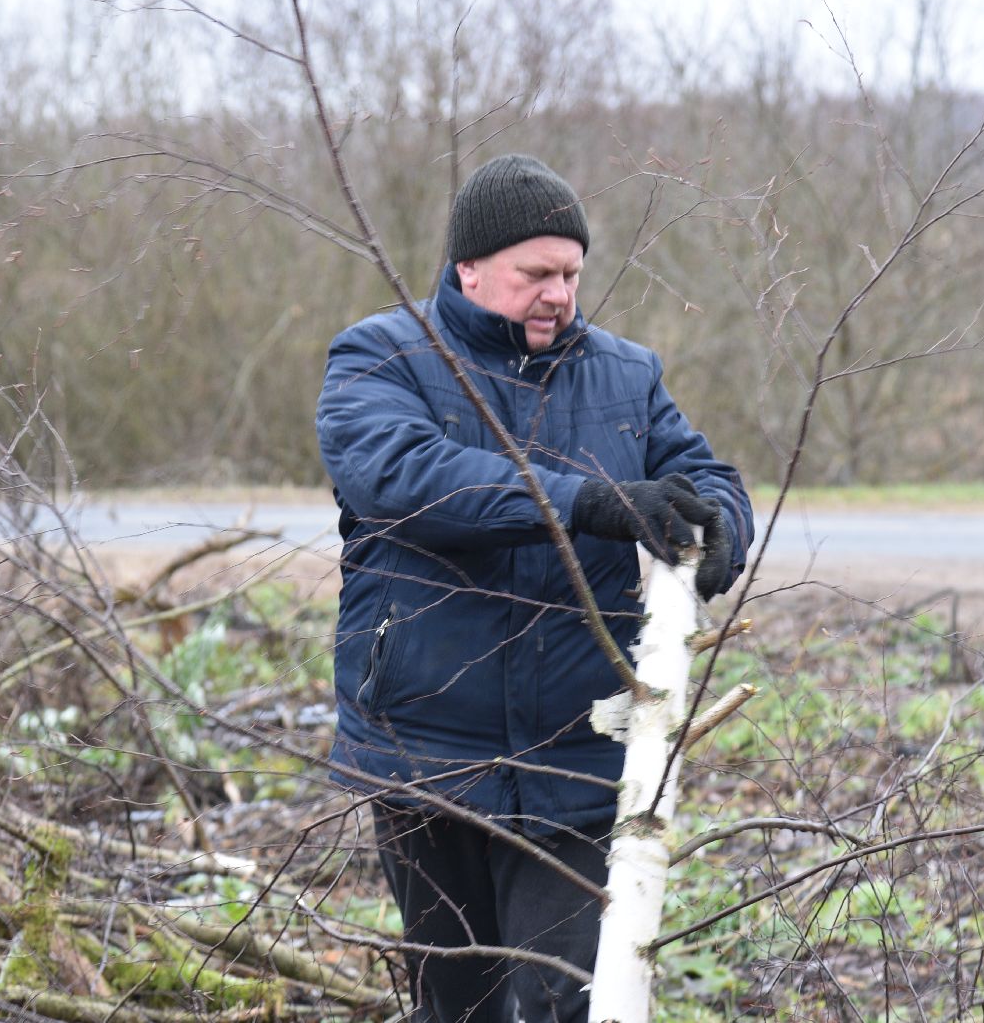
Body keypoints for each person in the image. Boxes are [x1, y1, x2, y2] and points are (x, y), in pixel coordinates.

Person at [316, 153, 752, 1021]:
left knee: (564, 999)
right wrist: (588, 502)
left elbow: (707, 478)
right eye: (536, 274)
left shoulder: (626, 375)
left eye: (571, 274)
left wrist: (718, 533)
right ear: (469, 269)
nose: (559, 294)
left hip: (576, 750)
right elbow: (405, 478)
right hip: (427, 751)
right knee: (458, 1002)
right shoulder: (381, 357)